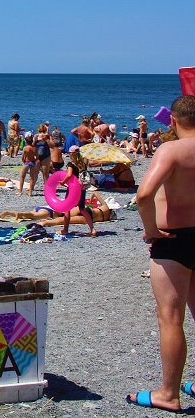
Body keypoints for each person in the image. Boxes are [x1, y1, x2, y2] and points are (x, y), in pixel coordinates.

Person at [128, 95, 195, 412]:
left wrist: (151, 229)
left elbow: (144, 194)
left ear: (173, 120)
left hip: (174, 240)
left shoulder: (171, 150)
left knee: (171, 318)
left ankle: (168, 394)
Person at [58, 162, 95, 236]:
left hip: (73, 187)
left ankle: (65, 230)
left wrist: (63, 182)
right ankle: (92, 230)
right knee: (82, 209)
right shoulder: (82, 163)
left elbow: (69, 175)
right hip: (82, 187)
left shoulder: (71, 164)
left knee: (67, 208)